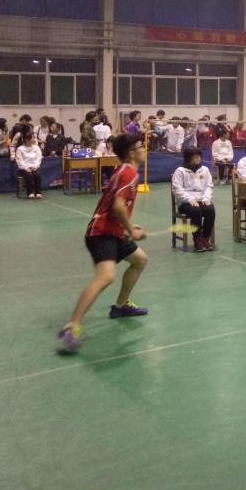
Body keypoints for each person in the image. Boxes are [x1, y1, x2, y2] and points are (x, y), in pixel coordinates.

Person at [57, 133, 150, 353]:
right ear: (131, 153)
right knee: (106, 277)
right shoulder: (128, 172)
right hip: (101, 232)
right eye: (141, 145)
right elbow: (118, 206)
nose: (144, 148)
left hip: (114, 232)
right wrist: (131, 229)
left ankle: (120, 306)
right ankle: (72, 326)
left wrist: (128, 227)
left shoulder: (126, 171)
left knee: (140, 260)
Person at [171, 147, 216, 252]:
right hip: (185, 202)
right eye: (194, 157)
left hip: (201, 199)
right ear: (188, 158)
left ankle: (206, 237)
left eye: (198, 156)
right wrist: (190, 199)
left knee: (210, 210)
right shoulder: (180, 171)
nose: (197, 159)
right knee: (196, 211)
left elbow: (209, 186)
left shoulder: (205, 170)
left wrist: (206, 198)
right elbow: (177, 190)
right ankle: (197, 239)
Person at [15, 131, 44, 199]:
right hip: (23, 168)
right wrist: (26, 168)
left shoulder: (36, 148)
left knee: (37, 174)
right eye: (33, 138)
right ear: (26, 139)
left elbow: (39, 158)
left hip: (34, 166)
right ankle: (30, 192)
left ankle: (38, 192)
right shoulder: (20, 149)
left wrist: (35, 166)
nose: (34, 139)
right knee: (29, 175)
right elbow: (19, 160)